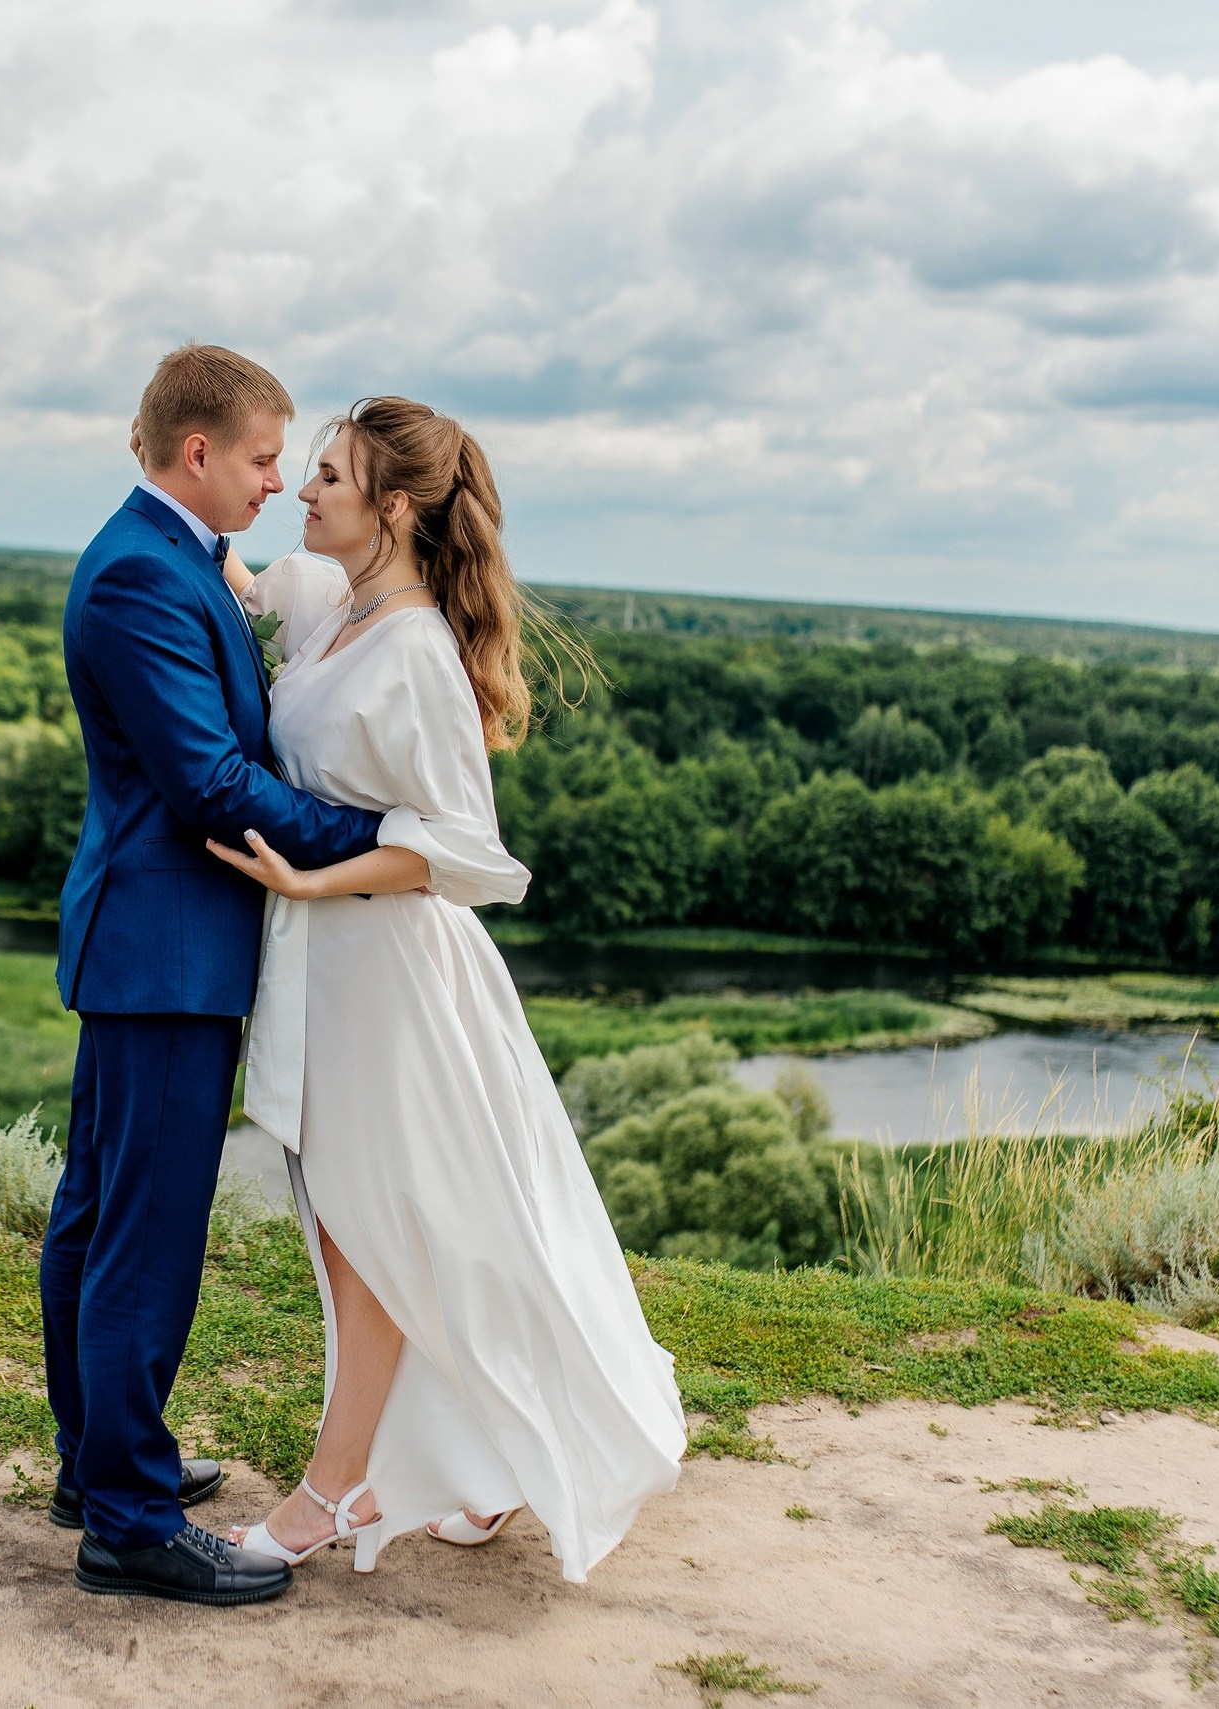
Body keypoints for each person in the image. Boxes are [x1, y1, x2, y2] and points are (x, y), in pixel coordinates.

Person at [207, 396, 686, 1582]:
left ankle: (331, 1490)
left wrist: (316, 880)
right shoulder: (329, 603)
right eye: (301, 471)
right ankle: (483, 1459)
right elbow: (222, 560)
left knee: (368, 1231)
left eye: (326, 478)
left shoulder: (418, 650)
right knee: (357, 1225)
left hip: (394, 974)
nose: (302, 492)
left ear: (395, 505)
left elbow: (467, 849)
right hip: (334, 971)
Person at [44, 344, 384, 1607]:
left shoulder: (173, 556)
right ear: (199, 453)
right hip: (164, 949)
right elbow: (209, 786)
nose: (275, 478)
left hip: (152, 944)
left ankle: (98, 1464)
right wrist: (382, 844)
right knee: (143, 1231)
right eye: (259, 456)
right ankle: (125, 1520)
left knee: (98, 1211)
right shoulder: (141, 573)